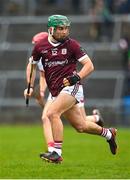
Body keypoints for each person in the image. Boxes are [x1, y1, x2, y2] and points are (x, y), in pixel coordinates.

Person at [24, 15, 117, 163]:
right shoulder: (40, 46)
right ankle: (109, 134)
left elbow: (89, 65)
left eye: (66, 28)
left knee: (51, 113)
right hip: (56, 92)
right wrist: (29, 86)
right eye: (61, 28)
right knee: (81, 126)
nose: (65, 31)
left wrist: (77, 77)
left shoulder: (72, 44)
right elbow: (32, 65)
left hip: (71, 87)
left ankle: (56, 153)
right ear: (51, 29)